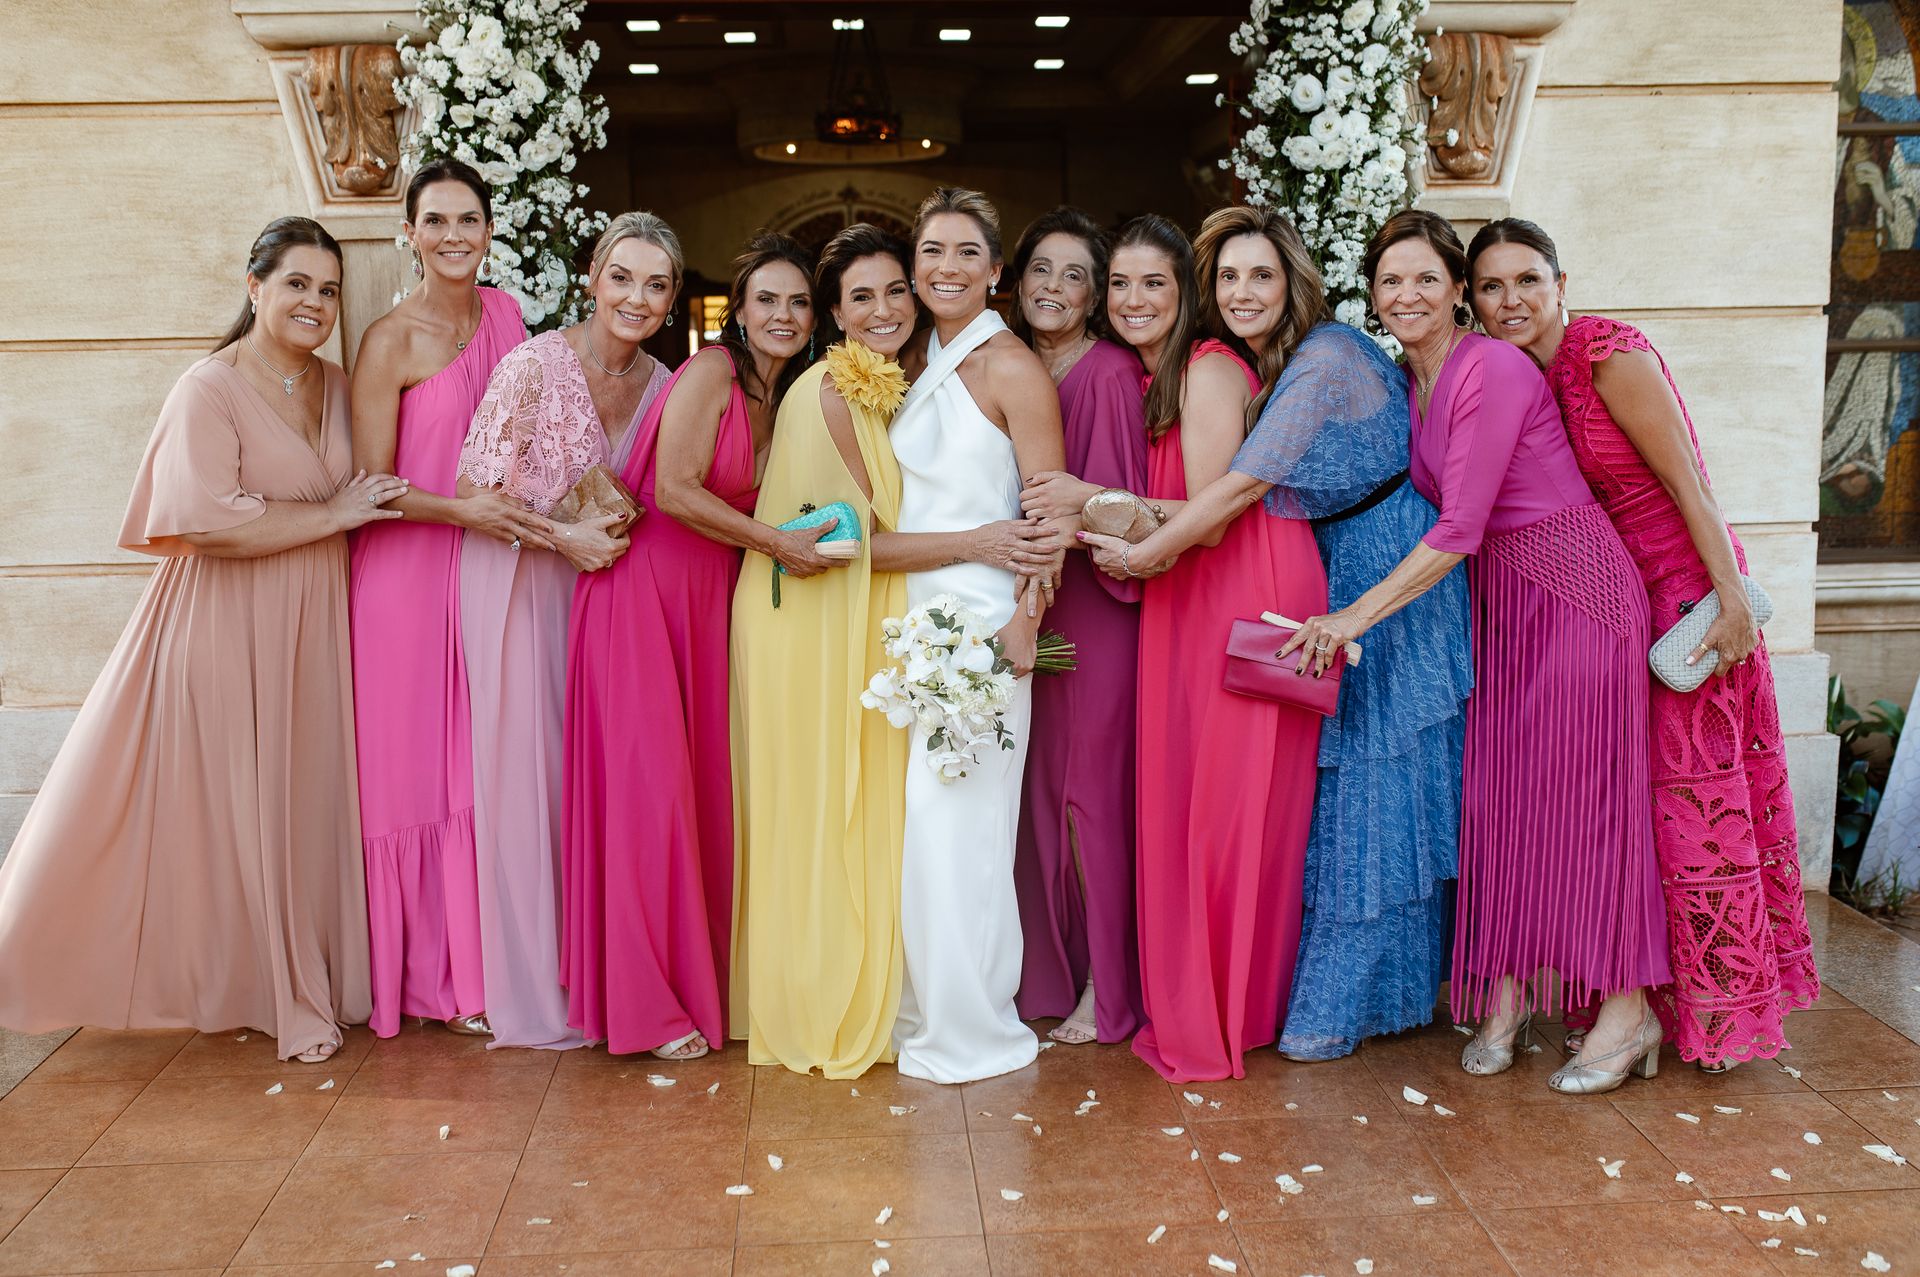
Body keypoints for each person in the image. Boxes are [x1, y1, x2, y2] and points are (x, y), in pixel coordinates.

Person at [1283, 210, 1669, 1094]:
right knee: (1503, 805)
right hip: (1503, 612)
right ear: (1372, 297)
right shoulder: (1410, 380)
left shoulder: (1486, 365)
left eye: (1428, 278)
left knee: (1587, 809)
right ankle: (1510, 994)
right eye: (1390, 281)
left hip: (1575, 595)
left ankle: (1628, 1008)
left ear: (1456, 290)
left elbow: (1458, 529)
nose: (1408, 294)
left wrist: (1351, 619)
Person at [0, 217, 399, 1061]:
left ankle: (303, 973)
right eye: (297, 283)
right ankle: (266, 989)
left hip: (311, 623)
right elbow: (207, 522)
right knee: (236, 805)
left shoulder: (334, 380)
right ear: (254, 287)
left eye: (328, 290)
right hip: (225, 618)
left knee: (298, 799)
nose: (315, 302)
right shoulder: (206, 388)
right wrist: (331, 514)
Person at [1079, 206, 1471, 1062]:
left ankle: (1344, 1002)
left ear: (1294, 280)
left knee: (1381, 780)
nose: (1244, 291)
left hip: (1388, 568)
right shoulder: (1260, 365)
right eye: (1227, 277)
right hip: (1335, 560)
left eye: (1261, 274)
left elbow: (1238, 491)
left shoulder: (1325, 354)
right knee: (1345, 790)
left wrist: (1147, 558)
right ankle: (1371, 992)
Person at [1469, 217, 1820, 1072]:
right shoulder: (1519, 375)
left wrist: (1730, 599)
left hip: (1690, 598)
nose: (1511, 299)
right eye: (1491, 286)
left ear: (1561, 284)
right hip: (1617, 606)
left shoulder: (1603, 353)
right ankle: (1639, 1012)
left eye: (1528, 280)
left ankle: (1659, 1018)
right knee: (1640, 812)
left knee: (1688, 809)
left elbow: (1687, 480)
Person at [1080, 212, 1325, 1083]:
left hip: (1235, 585)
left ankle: (1220, 1009)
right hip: (1189, 591)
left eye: (1157, 283)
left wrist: (1142, 547)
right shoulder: (1156, 377)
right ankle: (1220, 1000)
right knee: (1196, 799)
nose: (1135, 299)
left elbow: (1217, 504)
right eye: (1120, 283)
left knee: (1226, 805)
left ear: (1186, 295)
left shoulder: (1209, 365)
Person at [564, 233, 820, 1059]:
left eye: (799, 302)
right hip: (645, 594)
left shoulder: (794, 396)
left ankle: (701, 982)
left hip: (714, 603)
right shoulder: (710, 373)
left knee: (704, 796)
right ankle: (648, 1005)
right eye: (767, 300)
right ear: (737, 311)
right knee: (651, 800)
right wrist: (776, 542)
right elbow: (673, 490)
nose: (782, 315)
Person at [453, 213, 682, 1050]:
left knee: (593, 783)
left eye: (656, 284)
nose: (637, 297)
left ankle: (600, 970)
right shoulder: (533, 365)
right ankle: (536, 983)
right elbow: (472, 493)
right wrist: (563, 538)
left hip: (608, 601)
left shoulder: (666, 382)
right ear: (592, 275)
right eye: (623, 276)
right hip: (520, 583)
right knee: (528, 777)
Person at [350, 158, 538, 1039]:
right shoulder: (389, 338)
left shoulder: (510, 317)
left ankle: (488, 959)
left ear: (491, 229)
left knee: (484, 762)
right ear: (412, 233)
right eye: (437, 221)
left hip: (494, 573)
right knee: (415, 774)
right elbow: (370, 485)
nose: (455, 236)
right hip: (405, 579)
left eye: (470, 219)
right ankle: (429, 975)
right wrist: (462, 509)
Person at [887, 187, 1068, 1084]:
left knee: (959, 823)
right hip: (906, 625)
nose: (945, 268)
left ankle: (970, 1020)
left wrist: (1025, 625)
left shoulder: (1011, 369)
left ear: (995, 270)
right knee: (919, 830)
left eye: (965, 253)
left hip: (984, 630)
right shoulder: (909, 360)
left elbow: (1049, 514)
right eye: (931, 252)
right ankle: (926, 999)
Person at [730, 224, 915, 1078]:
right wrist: (991, 540)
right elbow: (871, 539)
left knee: (843, 801)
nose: (882, 311)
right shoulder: (833, 390)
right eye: (861, 298)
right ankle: (811, 995)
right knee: (814, 807)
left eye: (894, 292)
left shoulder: (876, 387)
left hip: (837, 610)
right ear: (836, 317)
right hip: (804, 620)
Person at [1005, 207, 1149, 1046]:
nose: (1053, 288)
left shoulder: (1104, 375)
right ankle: (1045, 974)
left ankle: (1108, 988)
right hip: (1030, 598)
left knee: (1089, 804)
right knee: (1038, 799)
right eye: (1041, 270)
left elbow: (1118, 510)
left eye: (1074, 276)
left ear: (1095, 297)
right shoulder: (1014, 364)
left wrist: (1070, 528)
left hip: (1092, 609)